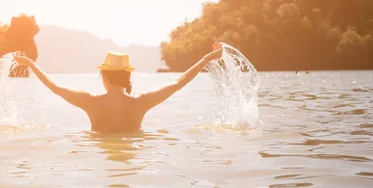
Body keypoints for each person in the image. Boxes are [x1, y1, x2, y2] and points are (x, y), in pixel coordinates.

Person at [12, 42, 224, 133]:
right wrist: (209, 57)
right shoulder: (141, 103)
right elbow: (179, 83)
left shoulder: (91, 102)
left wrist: (30, 63)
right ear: (127, 76)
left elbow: (54, 86)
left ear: (103, 76)